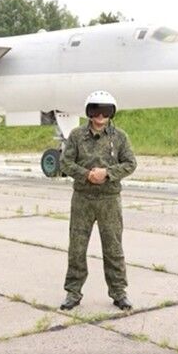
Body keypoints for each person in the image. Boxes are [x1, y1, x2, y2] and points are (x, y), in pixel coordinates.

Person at [58, 90, 137, 311]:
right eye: (95, 110)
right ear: (88, 112)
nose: (100, 116)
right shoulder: (76, 136)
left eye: (105, 111)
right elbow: (65, 163)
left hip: (109, 200)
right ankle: (73, 292)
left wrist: (107, 173)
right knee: (77, 248)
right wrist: (86, 174)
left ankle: (119, 292)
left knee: (113, 248)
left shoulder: (119, 137)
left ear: (112, 113)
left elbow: (130, 163)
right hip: (83, 200)